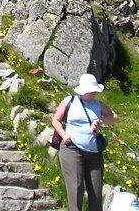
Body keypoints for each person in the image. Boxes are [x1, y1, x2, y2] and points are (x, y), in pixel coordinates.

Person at [51, 73, 119, 211]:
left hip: (94, 152)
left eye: (94, 91)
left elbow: (113, 116)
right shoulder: (69, 101)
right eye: (90, 91)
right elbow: (56, 120)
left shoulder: (98, 105)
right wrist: (64, 136)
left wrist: (100, 121)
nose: (93, 94)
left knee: (96, 190)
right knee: (76, 188)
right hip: (72, 148)